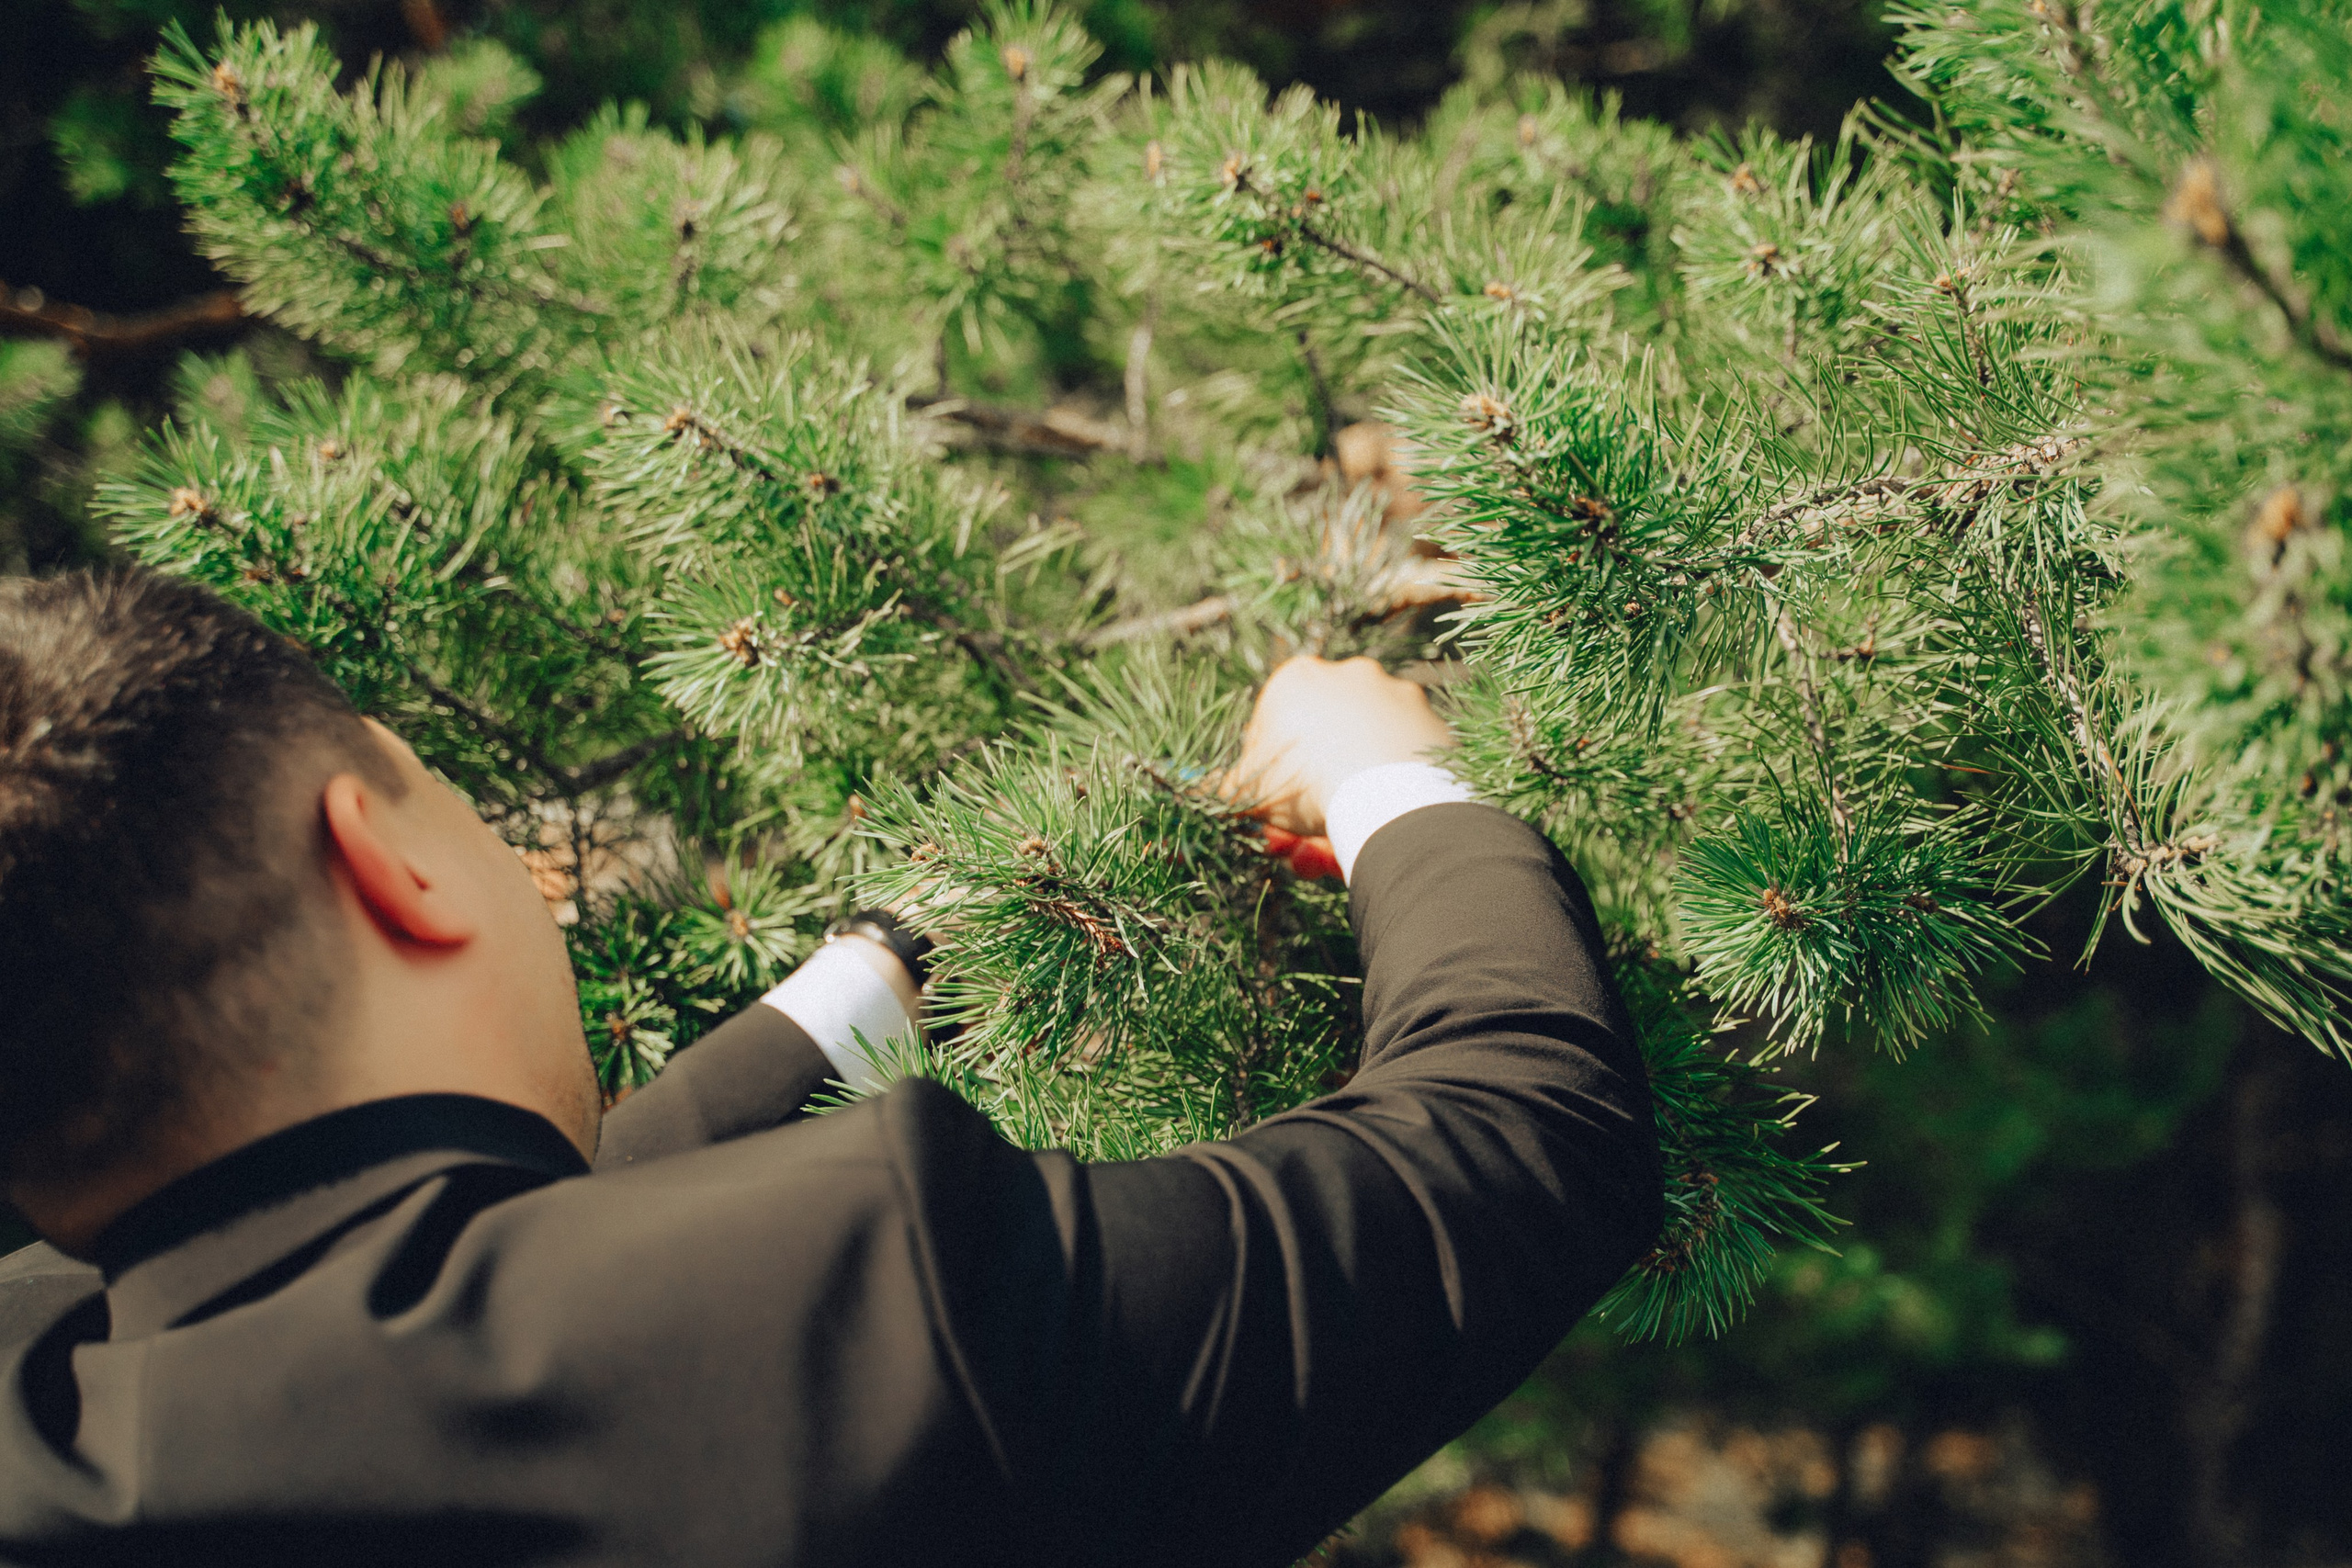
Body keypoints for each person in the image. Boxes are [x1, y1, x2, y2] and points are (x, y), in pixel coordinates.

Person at [0, 568, 1660, 1567]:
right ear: (386, 860)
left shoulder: (47, 1383)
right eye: (451, 799)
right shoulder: (873, 1299)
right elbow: (1516, 1141)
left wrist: (871, 975)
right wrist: (1389, 779)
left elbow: (450, 1275)